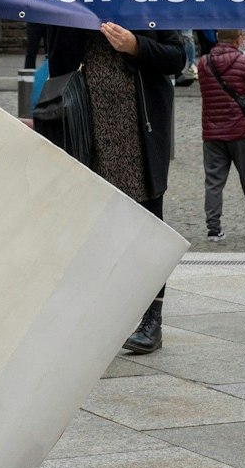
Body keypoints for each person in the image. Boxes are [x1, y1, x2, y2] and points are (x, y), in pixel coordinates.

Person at [39, 21, 186, 354]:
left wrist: (135, 45)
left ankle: (152, 319)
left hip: (140, 133)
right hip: (88, 133)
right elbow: (58, 64)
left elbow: (177, 57)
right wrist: (74, 21)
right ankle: (101, 320)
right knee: (95, 231)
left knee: (148, 228)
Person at [198, 30, 245, 242]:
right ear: (238, 39)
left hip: (211, 131)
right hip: (241, 131)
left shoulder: (204, 63)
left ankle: (214, 228)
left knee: (213, 182)